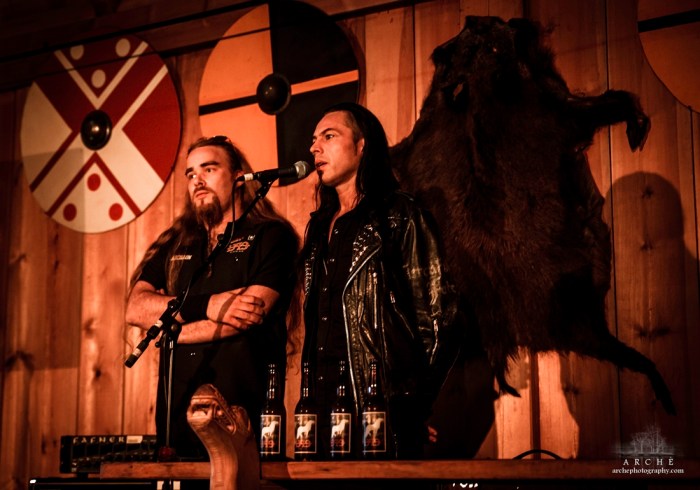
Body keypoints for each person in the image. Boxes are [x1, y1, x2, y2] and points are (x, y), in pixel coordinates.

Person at [300, 102, 463, 461]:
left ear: (362, 145)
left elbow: (441, 316)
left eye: (329, 136)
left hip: (378, 410)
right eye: (313, 140)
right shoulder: (319, 229)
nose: (315, 148)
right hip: (320, 412)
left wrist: (414, 404)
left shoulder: (399, 215)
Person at [126, 135, 298, 462]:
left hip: (243, 421)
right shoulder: (178, 243)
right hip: (176, 425)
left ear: (238, 176)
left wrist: (170, 330)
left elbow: (247, 314)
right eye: (191, 173)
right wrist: (210, 305)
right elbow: (135, 308)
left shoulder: (271, 235)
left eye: (209, 168)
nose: (198, 180)